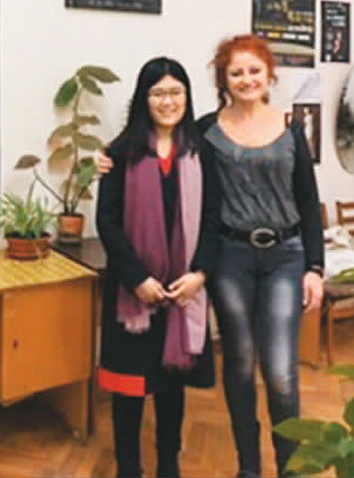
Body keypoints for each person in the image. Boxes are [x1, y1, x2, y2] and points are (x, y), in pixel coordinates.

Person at [99, 34, 324, 478]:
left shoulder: (266, 133)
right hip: (201, 267)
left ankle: (288, 469)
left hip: (259, 262)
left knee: (277, 373)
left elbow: (297, 200)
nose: (246, 79)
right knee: (233, 364)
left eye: (254, 70)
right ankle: (244, 467)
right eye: (236, 72)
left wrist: (314, 266)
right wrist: (103, 159)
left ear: (269, 74)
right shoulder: (194, 136)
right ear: (223, 80)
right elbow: (115, 211)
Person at [96, 57, 221, 478]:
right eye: (158, 93)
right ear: (143, 99)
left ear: (187, 96)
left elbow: (213, 219)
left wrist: (199, 274)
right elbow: (107, 222)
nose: (168, 102)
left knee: (170, 388)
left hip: (181, 292)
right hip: (134, 293)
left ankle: (169, 465)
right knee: (129, 389)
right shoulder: (120, 153)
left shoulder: (202, 153)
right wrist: (137, 279)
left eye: (176, 92)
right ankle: (128, 468)